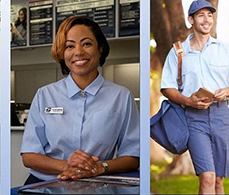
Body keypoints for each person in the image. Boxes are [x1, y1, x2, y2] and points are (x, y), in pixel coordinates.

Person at [20, 16, 140, 184]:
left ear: (101, 48)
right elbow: (29, 156)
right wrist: (68, 166)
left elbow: (134, 156)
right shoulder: (45, 95)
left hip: (96, 185)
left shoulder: (121, 97)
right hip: (45, 185)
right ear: (62, 53)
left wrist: (100, 167)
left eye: (87, 44)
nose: (78, 52)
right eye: (69, 46)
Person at [160, 0, 229, 194]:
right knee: (207, 178)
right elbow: (167, 88)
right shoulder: (178, 53)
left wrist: (227, 91)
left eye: (210, 15)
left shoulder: (225, 50)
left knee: (218, 181)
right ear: (191, 19)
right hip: (193, 119)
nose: (207, 20)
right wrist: (187, 100)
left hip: (221, 116)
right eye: (201, 15)